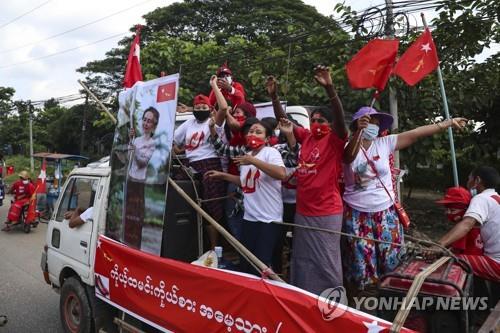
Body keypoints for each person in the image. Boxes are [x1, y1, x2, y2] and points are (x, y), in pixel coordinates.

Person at [342, 107, 467, 290]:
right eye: (369, 122)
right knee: (361, 263)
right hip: (357, 214)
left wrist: (446, 123)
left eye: (376, 123)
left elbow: (416, 133)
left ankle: (390, 295)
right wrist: (359, 133)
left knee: (391, 258)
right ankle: (364, 302)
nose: (373, 127)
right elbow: (347, 158)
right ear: (357, 124)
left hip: (385, 212)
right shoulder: (348, 147)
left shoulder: (384, 143)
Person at [267, 66, 348, 295]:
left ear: (331, 125)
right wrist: (274, 97)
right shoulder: (308, 137)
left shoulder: (335, 140)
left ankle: (332, 301)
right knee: (302, 259)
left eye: (321, 120)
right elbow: (283, 120)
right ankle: (306, 297)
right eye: (313, 120)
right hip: (304, 210)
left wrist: (330, 88)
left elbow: (341, 120)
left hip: (326, 212)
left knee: (326, 261)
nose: (316, 123)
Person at [206, 119, 287, 274]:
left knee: (261, 264)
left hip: (269, 219)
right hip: (250, 217)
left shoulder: (270, 153)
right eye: (250, 131)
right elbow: (245, 183)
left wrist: (253, 161)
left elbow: (281, 174)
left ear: (267, 138)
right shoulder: (246, 156)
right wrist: (223, 175)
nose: (253, 134)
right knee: (246, 261)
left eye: (258, 132)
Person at [426, 166, 500, 282]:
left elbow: (466, 225)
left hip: (496, 264)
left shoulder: (481, 199)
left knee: (448, 260)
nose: (467, 182)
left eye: (469, 179)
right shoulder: (495, 198)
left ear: (477, 181)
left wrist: (438, 245)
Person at [173, 94, 226, 249]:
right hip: (190, 165)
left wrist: (215, 86)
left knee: (212, 209)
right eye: (197, 108)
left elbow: (223, 108)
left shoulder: (213, 122)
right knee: (180, 192)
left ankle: (214, 249)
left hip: (210, 164)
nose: (200, 110)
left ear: (209, 109)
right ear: (193, 109)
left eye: (204, 107)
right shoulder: (189, 123)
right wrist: (177, 149)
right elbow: (174, 140)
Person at [123, 106, 159, 249]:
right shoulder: (136, 140)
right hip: (130, 180)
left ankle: (136, 245)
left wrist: (135, 149)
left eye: (149, 121)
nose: (146, 123)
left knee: (137, 216)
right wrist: (130, 141)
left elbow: (142, 162)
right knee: (128, 214)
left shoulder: (152, 143)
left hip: (140, 183)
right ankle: (127, 241)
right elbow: (129, 159)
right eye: (144, 119)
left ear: (154, 125)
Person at [436, 187, 483, 255]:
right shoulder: (476, 224)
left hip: (466, 261)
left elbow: (454, 252)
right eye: (446, 210)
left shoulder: (461, 230)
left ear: (465, 210)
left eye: (452, 210)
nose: (448, 213)